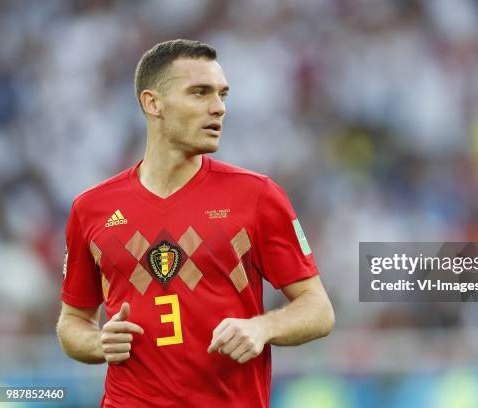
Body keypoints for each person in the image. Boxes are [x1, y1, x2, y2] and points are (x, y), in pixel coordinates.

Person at [56, 39, 334, 408]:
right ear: (152, 103)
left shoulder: (257, 196)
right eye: (199, 93)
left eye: (222, 95)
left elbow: (318, 309)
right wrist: (98, 342)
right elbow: (72, 322)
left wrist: (261, 327)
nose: (218, 108)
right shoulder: (91, 209)